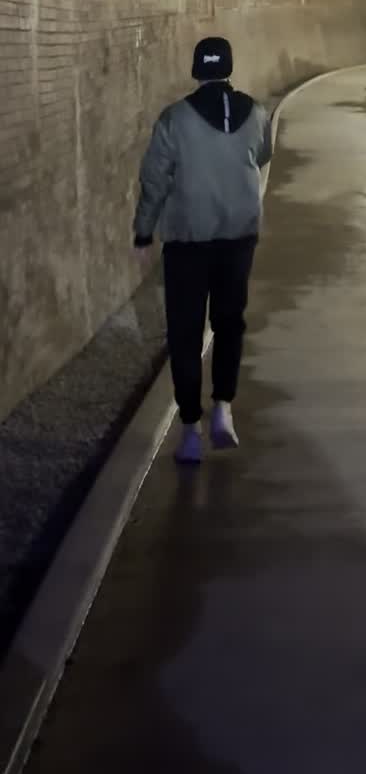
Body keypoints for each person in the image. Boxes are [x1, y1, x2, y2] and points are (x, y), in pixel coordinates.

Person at [133, 37, 272, 465]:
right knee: (230, 322)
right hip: (238, 237)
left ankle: (190, 430)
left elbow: (155, 180)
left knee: (186, 332)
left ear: (197, 70)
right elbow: (263, 155)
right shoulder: (257, 113)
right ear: (229, 68)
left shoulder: (174, 119)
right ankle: (224, 410)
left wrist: (143, 230)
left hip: (188, 241)